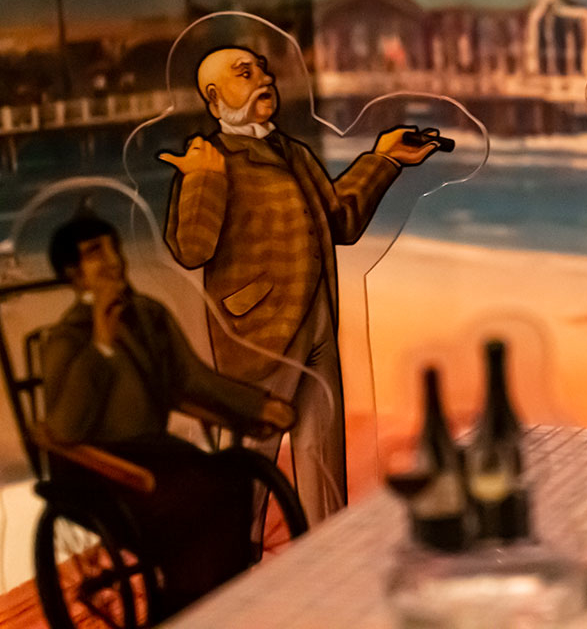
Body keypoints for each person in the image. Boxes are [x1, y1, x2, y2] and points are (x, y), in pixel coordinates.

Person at [159, 46, 437, 523]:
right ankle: (232, 558)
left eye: (263, 70)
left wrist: (384, 159)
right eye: (245, 73)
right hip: (257, 333)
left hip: (318, 325)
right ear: (214, 97)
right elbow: (191, 249)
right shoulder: (211, 160)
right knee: (250, 462)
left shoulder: (294, 152)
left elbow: (340, 220)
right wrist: (203, 180)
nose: (263, 79)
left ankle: (330, 552)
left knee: (322, 458)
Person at [40, 213, 296, 615]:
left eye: (113, 247)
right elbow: (66, 428)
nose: (112, 260)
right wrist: (102, 344)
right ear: (74, 274)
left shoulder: (149, 315)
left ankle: (217, 597)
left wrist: (257, 405)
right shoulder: (66, 338)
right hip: (94, 467)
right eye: (95, 253)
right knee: (192, 498)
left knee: (232, 479)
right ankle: (181, 607)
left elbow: (193, 379)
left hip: (154, 451)